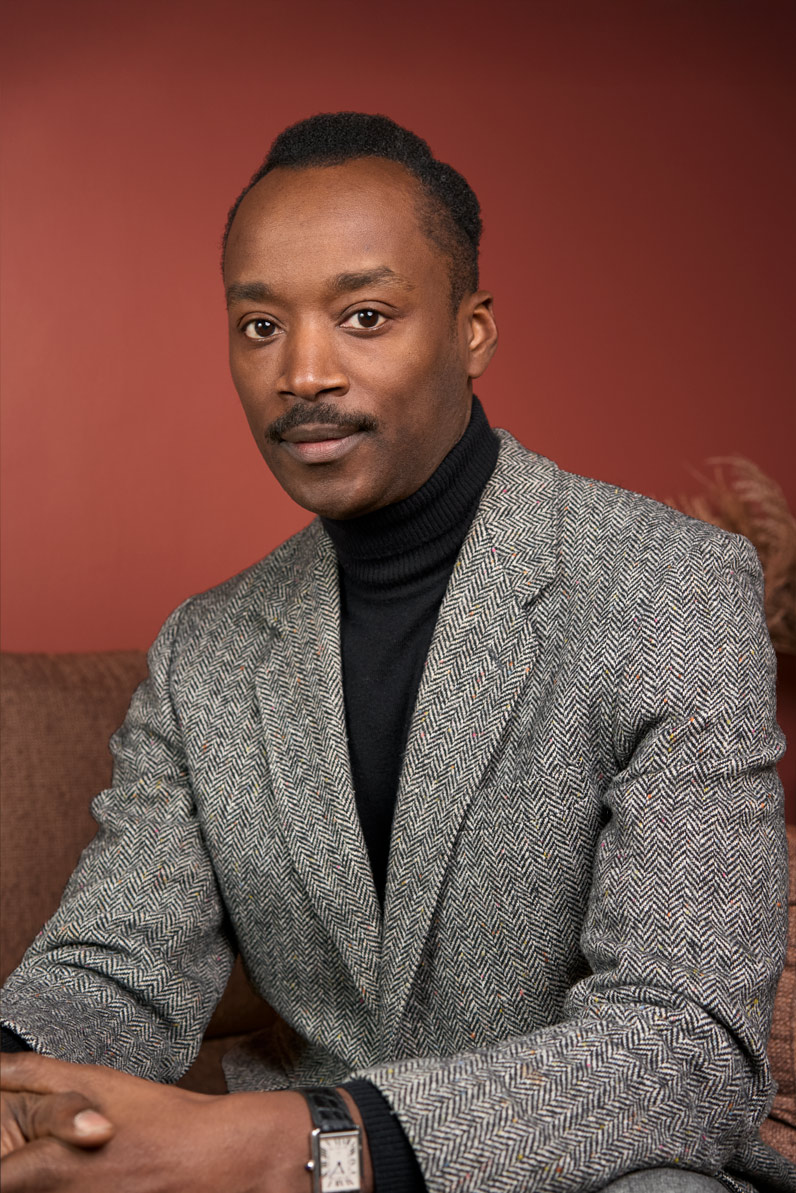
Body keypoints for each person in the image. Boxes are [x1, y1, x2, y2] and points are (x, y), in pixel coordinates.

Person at [0, 113, 791, 1193]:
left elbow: (686, 1047)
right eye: (260, 324)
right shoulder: (207, 651)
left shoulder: (666, 587)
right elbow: (119, 967)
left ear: (473, 331)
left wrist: (296, 1140)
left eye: (364, 315)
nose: (303, 372)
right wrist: (12, 1080)